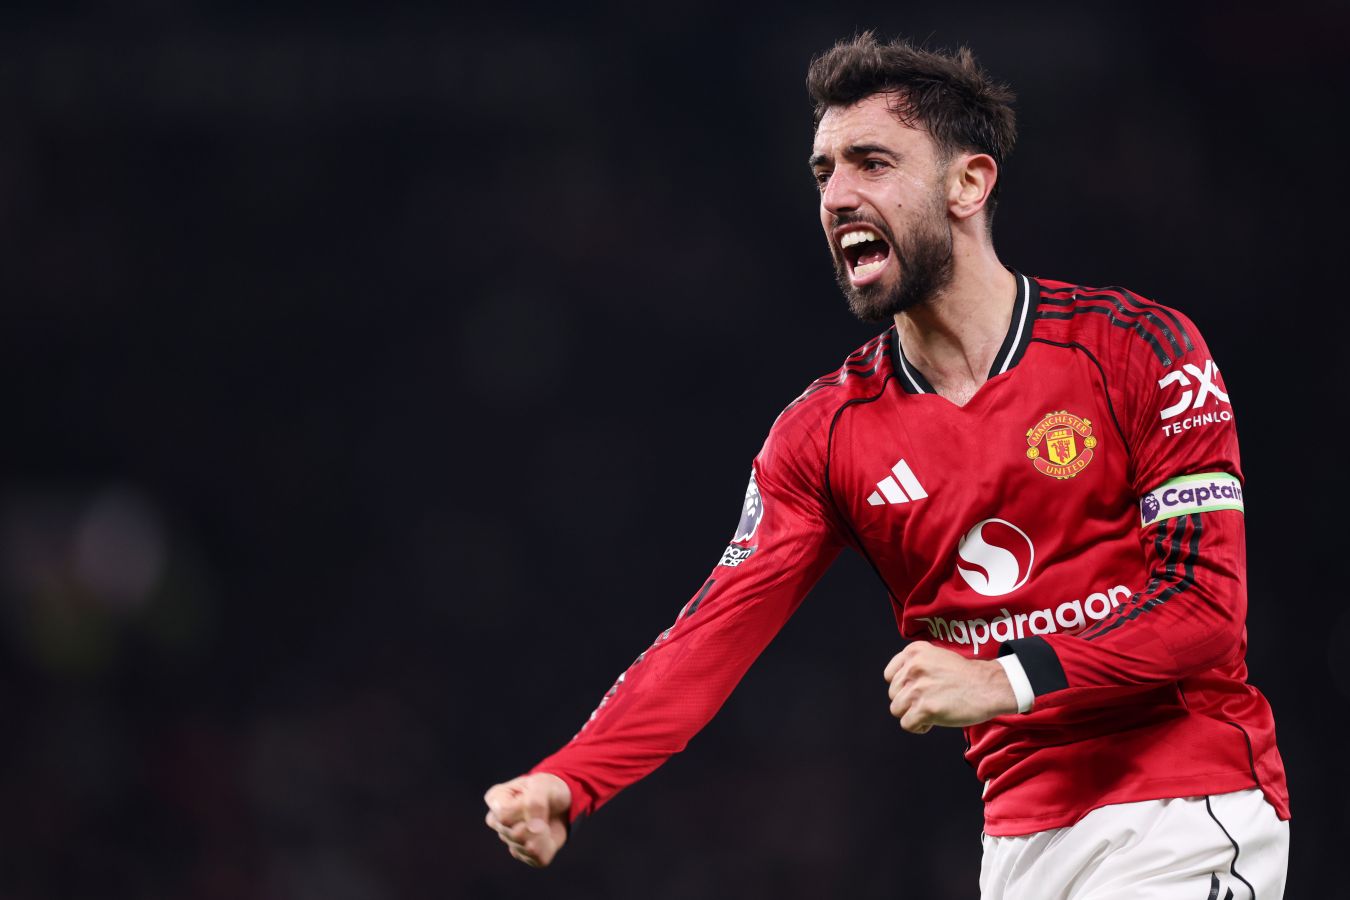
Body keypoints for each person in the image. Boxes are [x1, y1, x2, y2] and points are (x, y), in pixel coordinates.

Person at [483, 33, 1290, 899]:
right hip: (1020, 844)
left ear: (968, 183)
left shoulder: (1137, 350)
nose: (837, 196)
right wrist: (571, 779)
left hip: (1186, 806)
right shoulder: (824, 435)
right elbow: (708, 637)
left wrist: (1005, 676)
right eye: (823, 172)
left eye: (872, 162)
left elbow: (1206, 613)